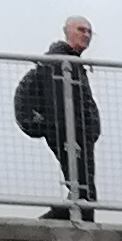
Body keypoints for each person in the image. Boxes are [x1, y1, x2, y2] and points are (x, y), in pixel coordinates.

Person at [15, 15, 100, 224]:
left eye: (89, 31)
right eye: (81, 30)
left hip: (79, 134)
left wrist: (92, 129)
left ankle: (64, 225)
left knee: (84, 191)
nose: (86, 35)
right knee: (84, 192)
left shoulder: (72, 63)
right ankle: (50, 227)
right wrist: (48, 126)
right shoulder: (56, 62)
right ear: (67, 31)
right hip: (68, 135)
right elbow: (29, 99)